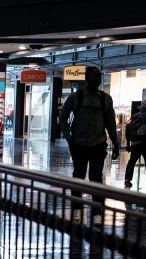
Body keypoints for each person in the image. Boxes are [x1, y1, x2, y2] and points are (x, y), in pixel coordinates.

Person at [59, 66, 119, 225]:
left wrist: (116, 143)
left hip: (98, 144)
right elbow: (63, 117)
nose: (97, 80)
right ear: (87, 79)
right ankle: (77, 210)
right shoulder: (75, 97)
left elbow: (110, 123)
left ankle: (98, 211)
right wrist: (69, 138)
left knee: (96, 178)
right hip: (78, 143)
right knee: (78, 176)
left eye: (99, 77)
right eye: (94, 77)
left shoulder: (106, 99)